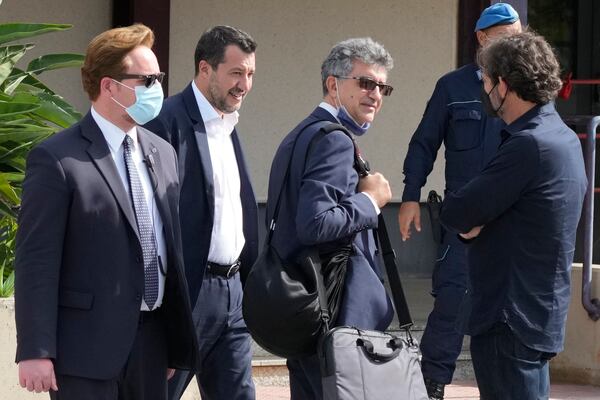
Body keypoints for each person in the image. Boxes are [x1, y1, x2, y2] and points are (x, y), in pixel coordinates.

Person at [14, 24, 197, 400]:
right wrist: (36, 350)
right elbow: (36, 260)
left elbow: (168, 248)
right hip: (85, 351)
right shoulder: (57, 159)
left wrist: (175, 339)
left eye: (158, 78)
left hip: (152, 341)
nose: (157, 88)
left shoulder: (162, 153)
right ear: (110, 86)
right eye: (147, 79)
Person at [440, 30, 587, 400]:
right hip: (538, 313)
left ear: (503, 85)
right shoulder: (562, 136)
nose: (484, 89)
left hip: (510, 319)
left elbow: (458, 210)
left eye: (486, 80)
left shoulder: (529, 144)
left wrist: (475, 223)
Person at [397, 4, 521, 398]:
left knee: (510, 310)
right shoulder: (452, 87)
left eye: (521, 35)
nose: (517, 43)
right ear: (483, 37)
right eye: (508, 35)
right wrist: (410, 197)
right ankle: (432, 386)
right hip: (463, 218)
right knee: (452, 301)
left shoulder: (525, 88)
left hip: (511, 219)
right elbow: (424, 143)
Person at [265, 37, 394, 400]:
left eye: (382, 87)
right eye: (365, 82)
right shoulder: (333, 140)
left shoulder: (300, 134)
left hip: (303, 309)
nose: (376, 94)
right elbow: (315, 223)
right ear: (333, 84)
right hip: (332, 315)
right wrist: (370, 201)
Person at [144, 26, 258, 400]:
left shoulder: (229, 123)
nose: (244, 84)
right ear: (205, 69)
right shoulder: (166, 121)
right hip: (188, 294)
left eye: (250, 74)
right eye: (236, 73)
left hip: (234, 292)